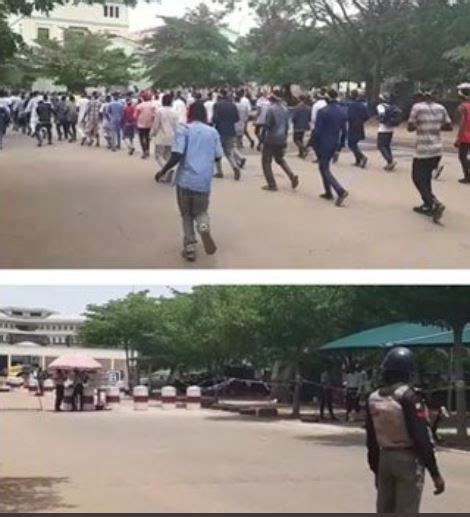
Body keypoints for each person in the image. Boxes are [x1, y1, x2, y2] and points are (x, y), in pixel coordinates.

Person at [366, 347, 445, 514]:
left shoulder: (373, 398)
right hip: (408, 459)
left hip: (384, 459)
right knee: (407, 510)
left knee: (385, 510)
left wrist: (376, 469)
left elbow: (371, 439)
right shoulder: (408, 396)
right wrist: (435, 473)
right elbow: (421, 437)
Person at [155, 102, 223, 262]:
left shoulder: (184, 129)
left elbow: (177, 154)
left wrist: (163, 170)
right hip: (203, 181)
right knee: (201, 212)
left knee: (186, 215)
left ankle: (190, 247)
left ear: (190, 113)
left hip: (185, 180)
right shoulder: (212, 132)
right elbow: (218, 156)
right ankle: (204, 229)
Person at [408, 90, 452, 223]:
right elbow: (449, 126)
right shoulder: (441, 108)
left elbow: (410, 127)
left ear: (421, 97)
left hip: (422, 150)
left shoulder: (417, 107)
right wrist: (435, 127)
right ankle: (427, 204)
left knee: (417, 178)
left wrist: (420, 126)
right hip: (437, 149)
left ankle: (434, 202)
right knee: (426, 177)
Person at [313, 89, 349, 206]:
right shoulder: (342, 112)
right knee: (324, 167)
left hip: (323, 143)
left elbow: (317, 131)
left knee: (324, 168)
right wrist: (340, 147)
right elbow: (344, 131)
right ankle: (328, 192)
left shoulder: (322, 112)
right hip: (334, 143)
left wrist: (310, 144)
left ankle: (339, 190)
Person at [261, 90, 299, 192]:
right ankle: (292, 175)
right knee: (280, 159)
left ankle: (272, 184)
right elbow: (287, 126)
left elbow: (267, 126)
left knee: (266, 161)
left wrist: (261, 140)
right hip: (282, 138)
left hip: (271, 138)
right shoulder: (285, 109)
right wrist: (285, 139)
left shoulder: (271, 110)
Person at [212, 89, 245, 181]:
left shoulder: (217, 105)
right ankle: (235, 167)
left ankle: (219, 172)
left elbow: (214, 119)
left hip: (220, 131)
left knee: (217, 152)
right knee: (229, 152)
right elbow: (236, 119)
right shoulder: (233, 105)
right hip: (231, 130)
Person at [151, 93, 178, 182]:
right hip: (172, 136)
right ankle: (167, 174)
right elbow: (176, 126)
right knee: (167, 156)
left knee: (158, 156)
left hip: (161, 136)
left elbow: (156, 125)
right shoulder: (174, 112)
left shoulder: (160, 111)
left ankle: (167, 170)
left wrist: (152, 133)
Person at [377, 94, 400, 171]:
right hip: (391, 129)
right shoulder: (391, 106)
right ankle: (390, 161)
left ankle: (390, 161)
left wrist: (380, 119)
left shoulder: (381, 106)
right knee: (387, 146)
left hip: (383, 129)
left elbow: (381, 116)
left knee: (381, 146)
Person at [347, 90, 369, 168]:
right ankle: (358, 160)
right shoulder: (362, 105)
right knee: (354, 143)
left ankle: (361, 157)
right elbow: (367, 116)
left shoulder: (351, 105)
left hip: (353, 126)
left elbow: (348, 116)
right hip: (360, 126)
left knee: (351, 143)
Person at [455, 83, 470, 184]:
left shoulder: (462, 107)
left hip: (465, 135)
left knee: (462, 156)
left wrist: (458, 138)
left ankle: (467, 176)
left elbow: (462, 123)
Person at [135, 91, 155, 159]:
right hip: (149, 124)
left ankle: (144, 151)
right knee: (147, 137)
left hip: (140, 124)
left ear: (142, 98)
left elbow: (135, 116)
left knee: (141, 138)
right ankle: (148, 150)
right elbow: (154, 115)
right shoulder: (152, 105)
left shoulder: (139, 106)